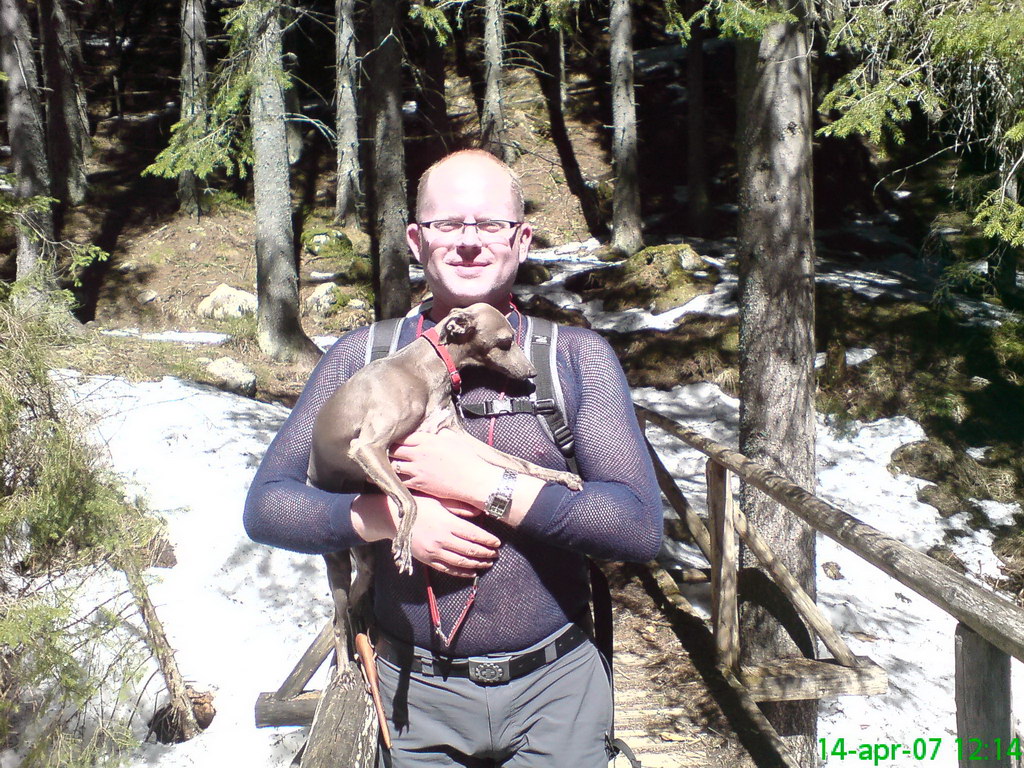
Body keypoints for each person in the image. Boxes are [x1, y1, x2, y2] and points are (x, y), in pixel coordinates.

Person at [244, 149, 663, 767]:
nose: (469, 243)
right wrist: (386, 517)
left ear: (521, 240)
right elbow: (269, 505)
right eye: (447, 224)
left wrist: (481, 484)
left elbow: (637, 526)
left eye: (491, 224)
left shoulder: (574, 360)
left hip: (557, 693)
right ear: (417, 240)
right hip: (412, 698)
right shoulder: (362, 358)